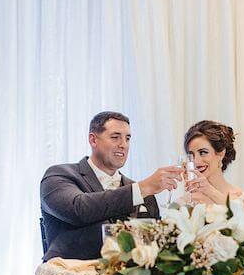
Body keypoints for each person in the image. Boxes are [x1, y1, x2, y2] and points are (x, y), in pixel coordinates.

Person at [40, 111, 183, 261]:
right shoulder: (58, 175)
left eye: (127, 138)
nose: (123, 145)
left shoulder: (142, 193)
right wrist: (141, 189)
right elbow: (78, 209)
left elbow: (153, 244)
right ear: (93, 140)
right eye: (115, 137)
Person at [183, 120, 244, 212]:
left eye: (203, 152)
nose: (196, 161)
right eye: (191, 155)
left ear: (221, 154)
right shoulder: (188, 201)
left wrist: (210, 191)